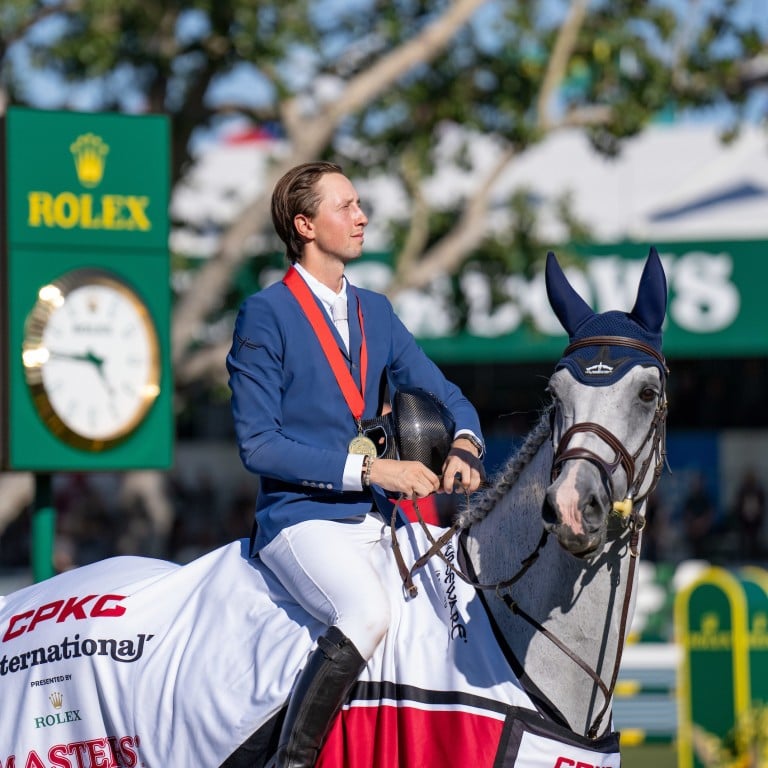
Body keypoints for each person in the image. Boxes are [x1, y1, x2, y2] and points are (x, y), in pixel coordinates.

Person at [226, 161, 485, 768]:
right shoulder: (264, 315)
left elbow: (448, 397)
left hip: (375, 518)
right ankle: (289, 762)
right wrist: (373, 473)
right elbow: (258, 445)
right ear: (306, 225)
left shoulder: (377, 310)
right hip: (300, 520)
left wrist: (467, 443)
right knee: (367, 613)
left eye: (359, 203)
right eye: (346, 207)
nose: (362, 216)